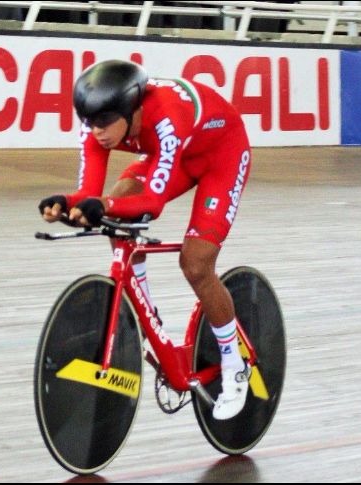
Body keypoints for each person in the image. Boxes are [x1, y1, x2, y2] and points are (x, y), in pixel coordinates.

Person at [38, 60, 253, 420]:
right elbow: (89, 192)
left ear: (130, 110)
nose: (97, 131)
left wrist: (102, 204)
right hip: (177, 155)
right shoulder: (96, 127)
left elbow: (151, 205)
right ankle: (144, 313)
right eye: (90, 122)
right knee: (118, 198)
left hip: (221, 155)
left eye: (105, 122)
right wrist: (66, 204)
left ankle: (235, 365)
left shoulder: (167, 116)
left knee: (196, 264)